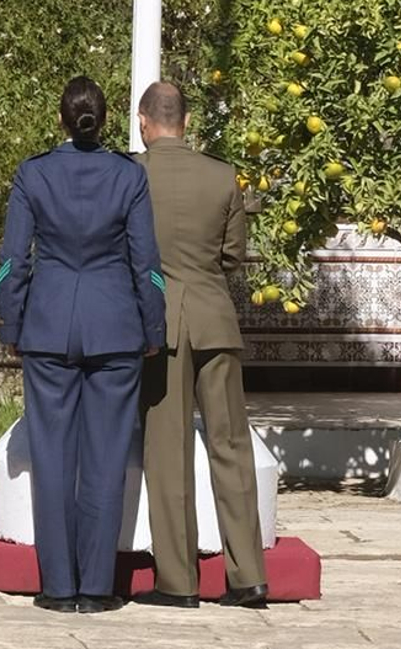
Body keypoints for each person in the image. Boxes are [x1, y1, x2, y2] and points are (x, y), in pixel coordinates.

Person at [0, 74, 168, 614]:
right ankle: (97, 587)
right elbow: (147, 265)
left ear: (61, 120)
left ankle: (58, 587)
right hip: (116, 328)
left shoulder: (34, 173)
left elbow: (11, 263)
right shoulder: (128, 175)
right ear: (105, 119)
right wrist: (153, 331)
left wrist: (11, 327)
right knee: (105, 457)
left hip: (48, 328)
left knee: (52, 456)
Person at [137, 79, 268, 610]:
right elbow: (233, 257)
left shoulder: (132, 175)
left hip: (160, 328)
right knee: (230, 446)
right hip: (216, 321)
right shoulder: (221, 176)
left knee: (168, 453)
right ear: (187, 122)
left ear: (144, 122)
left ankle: (178, 581)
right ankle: (249, 576)